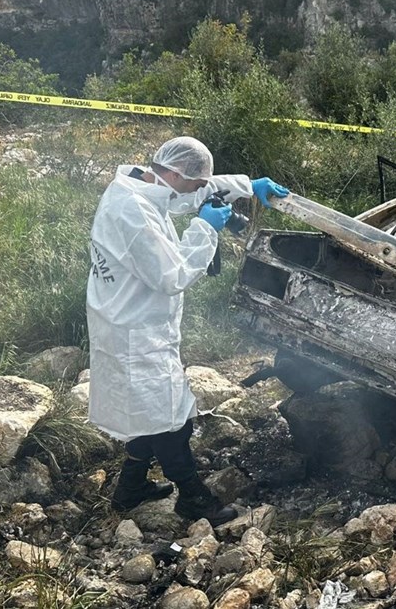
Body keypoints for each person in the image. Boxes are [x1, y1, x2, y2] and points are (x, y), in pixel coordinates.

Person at [86, 136, 288, 525]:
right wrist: (204, 230)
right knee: (171, 418)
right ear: (175, 173)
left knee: (148, 411)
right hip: (134, 330)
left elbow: (185, 194)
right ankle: (193, 497)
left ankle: (129, 490)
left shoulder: (141, 185)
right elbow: (172, 274)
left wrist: (248, 186)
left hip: (130, 319)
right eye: (197, 183)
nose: (199, 191)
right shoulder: (133, 211)